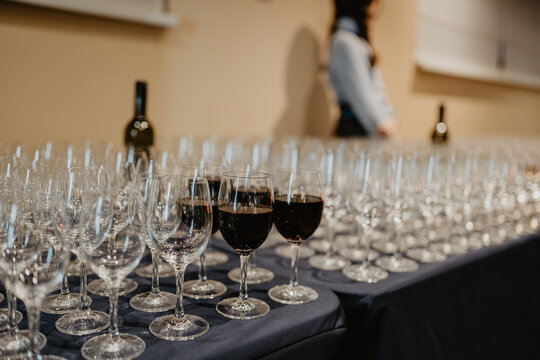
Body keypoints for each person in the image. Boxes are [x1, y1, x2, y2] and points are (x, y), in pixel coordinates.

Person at [328, 0, 397, 138]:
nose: (374, 9)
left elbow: (374, 90)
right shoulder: (344, 42)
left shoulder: (356, 41)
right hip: (356, 130)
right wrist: (381, 122)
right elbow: (361, 95)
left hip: (364, 126)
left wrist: (389, 115)